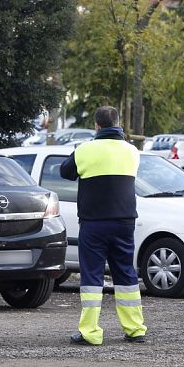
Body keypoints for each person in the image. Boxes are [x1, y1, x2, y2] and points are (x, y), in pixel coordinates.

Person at [59, 105, 147, 346]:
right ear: (118, 123)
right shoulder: (132, 151)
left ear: (97, 126)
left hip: (94, 223)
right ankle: (135, 328)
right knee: (126, 273)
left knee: (92, 277)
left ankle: (90, 332)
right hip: (124, 222)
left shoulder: (84, 150)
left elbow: (65, 172)